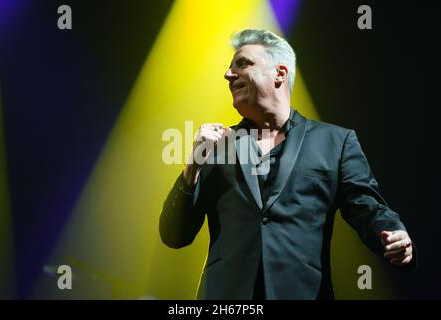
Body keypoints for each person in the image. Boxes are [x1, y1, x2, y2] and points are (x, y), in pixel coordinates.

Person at [159, 29, 414, 299]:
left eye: (242, 63)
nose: (228, 74)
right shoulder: (217, 145)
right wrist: (192, 166)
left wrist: (393, 233)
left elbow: (366, 206)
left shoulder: (336, 141)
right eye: (229, 67)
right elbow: (174, 235)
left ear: (279, 74)